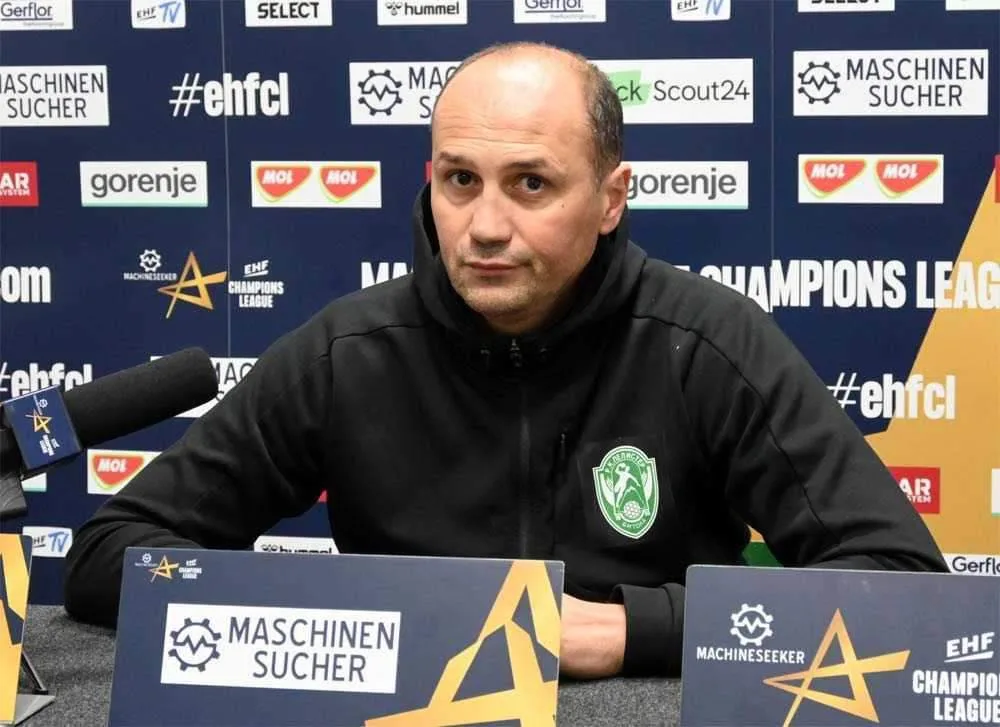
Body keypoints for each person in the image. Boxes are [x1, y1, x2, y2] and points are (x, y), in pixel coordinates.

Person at [64, 41, 948, 680]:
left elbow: (905, 587)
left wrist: (634, 630)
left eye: (531, 183)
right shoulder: (347, 351)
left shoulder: (705, 342)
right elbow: (110, 553)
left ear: (610, 198)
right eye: (460, 181)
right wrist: (326, 612)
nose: (485, 226)